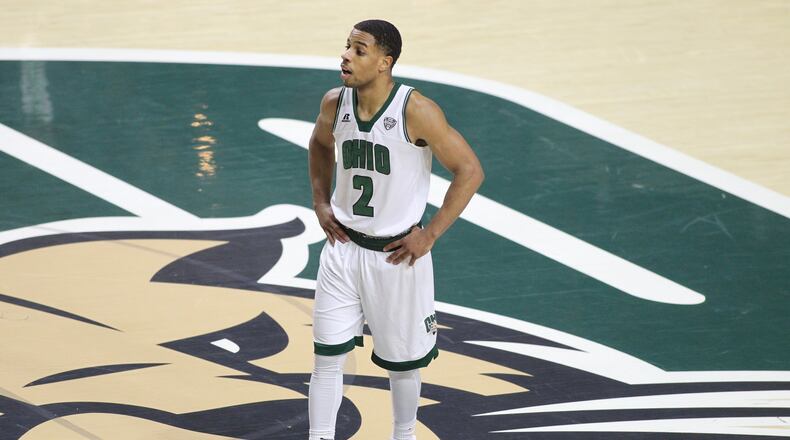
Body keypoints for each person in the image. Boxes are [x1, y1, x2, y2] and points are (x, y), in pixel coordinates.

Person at [307, 19, 484, 440]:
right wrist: (320, 200)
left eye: (359, 50)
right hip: (343, 249)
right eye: (347, 46)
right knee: (326, 357)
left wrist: (430, 234)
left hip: (397, 255)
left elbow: (470, 171)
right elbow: (318, 145)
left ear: (385, 63)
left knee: (403, 364)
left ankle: (404, 434)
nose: (346, 56)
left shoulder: (416, 111)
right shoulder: (335, 103)